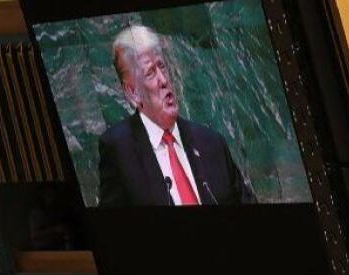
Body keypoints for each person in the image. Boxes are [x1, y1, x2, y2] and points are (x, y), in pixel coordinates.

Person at [98, 26, 256, 207]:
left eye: (162, 66)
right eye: (150, 73)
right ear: (133, 92)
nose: (163, 80)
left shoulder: (212, 143)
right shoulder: (119, 150)